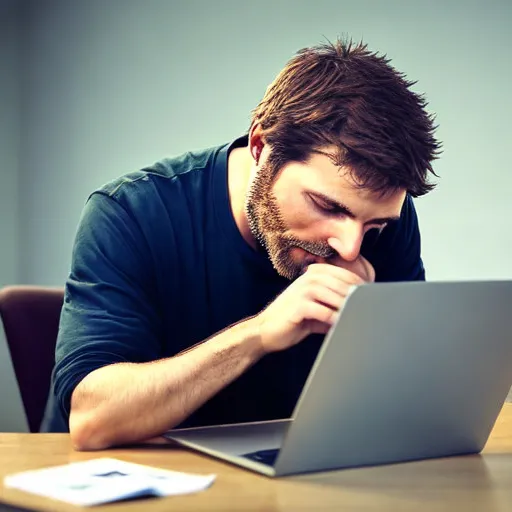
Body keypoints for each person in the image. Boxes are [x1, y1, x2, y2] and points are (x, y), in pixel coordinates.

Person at [41, 38, 441, 450]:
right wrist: (261, 332)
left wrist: (370, 331)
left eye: (372, 225)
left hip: (285, 481)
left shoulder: (379, 221)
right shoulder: (131, 213)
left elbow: (415, 398)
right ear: (261, 147)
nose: (351, 247)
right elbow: (92, 420)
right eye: (326, 206)